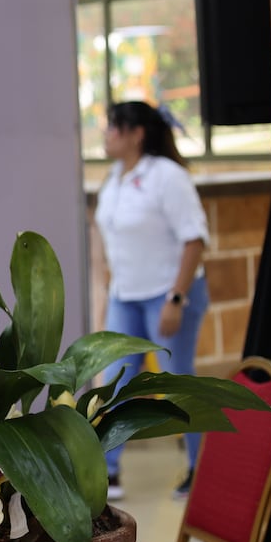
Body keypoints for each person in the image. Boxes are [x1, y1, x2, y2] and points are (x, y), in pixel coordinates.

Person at [94, 101, 209, 501]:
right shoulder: (114, 178)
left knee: (180, 383)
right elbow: (108, 241)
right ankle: (106, 473)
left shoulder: (167, 177)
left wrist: (176, 298)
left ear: (136, 133)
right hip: (126, 297)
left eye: (113, 127)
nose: (106, 134)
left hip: (169, 293)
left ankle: (202, 470)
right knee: (115, 383)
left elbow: (194, 239)